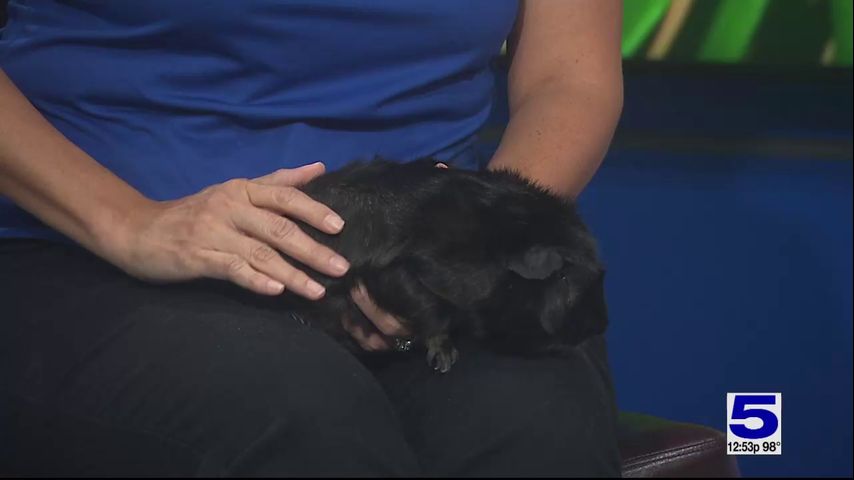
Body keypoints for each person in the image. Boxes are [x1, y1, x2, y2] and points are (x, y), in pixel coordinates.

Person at [0, 0, 624, 476]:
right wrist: (127, 223)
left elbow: (568, 81)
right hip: (79, 247)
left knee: (536, 425)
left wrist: (473, 243)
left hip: (408, 259)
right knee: (300, 420)